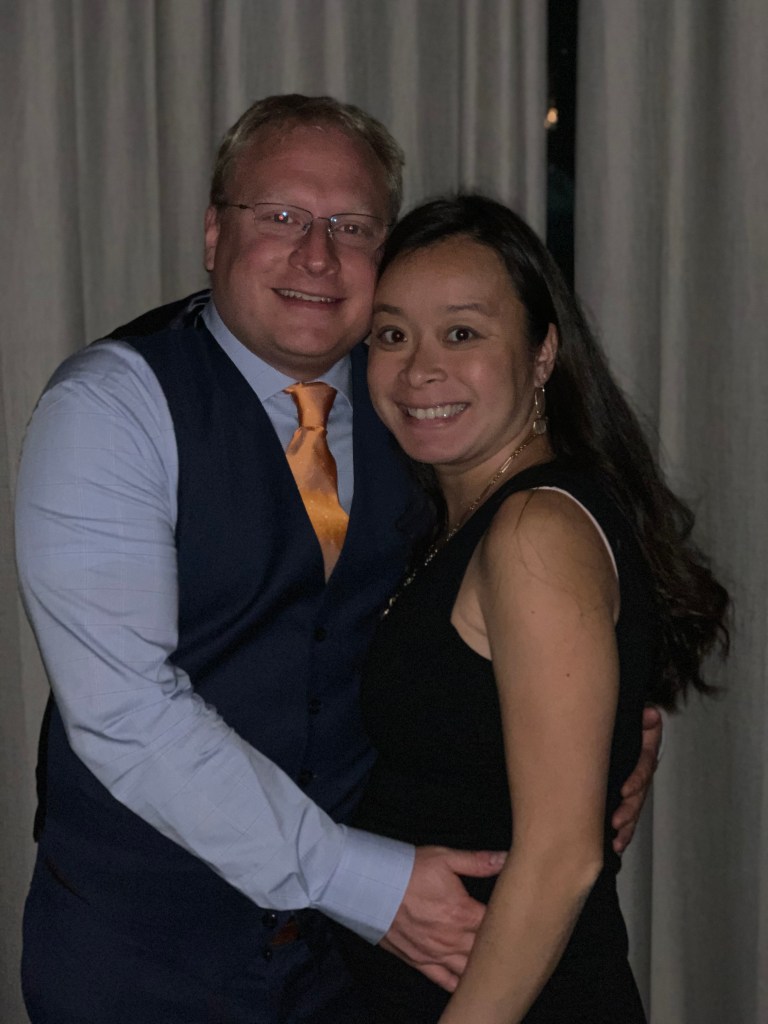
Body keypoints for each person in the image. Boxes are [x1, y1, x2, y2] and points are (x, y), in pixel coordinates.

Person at [15, 96, 660, 1024]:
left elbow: (548, 591)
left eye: (352, 226)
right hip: (147, 954)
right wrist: (369, 884)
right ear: (213, 234)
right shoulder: (112, 407)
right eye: (281, 216)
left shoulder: (416, 404)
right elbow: (124, 711)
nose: (317, 255)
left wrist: (613, 736)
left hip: (347, 971)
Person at [336, 194, 729, 1023]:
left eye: (463, 333)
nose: (419, 369)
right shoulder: (461, 523)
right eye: (392, 335)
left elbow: (560, 859)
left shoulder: (533, 531)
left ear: (544, 352)